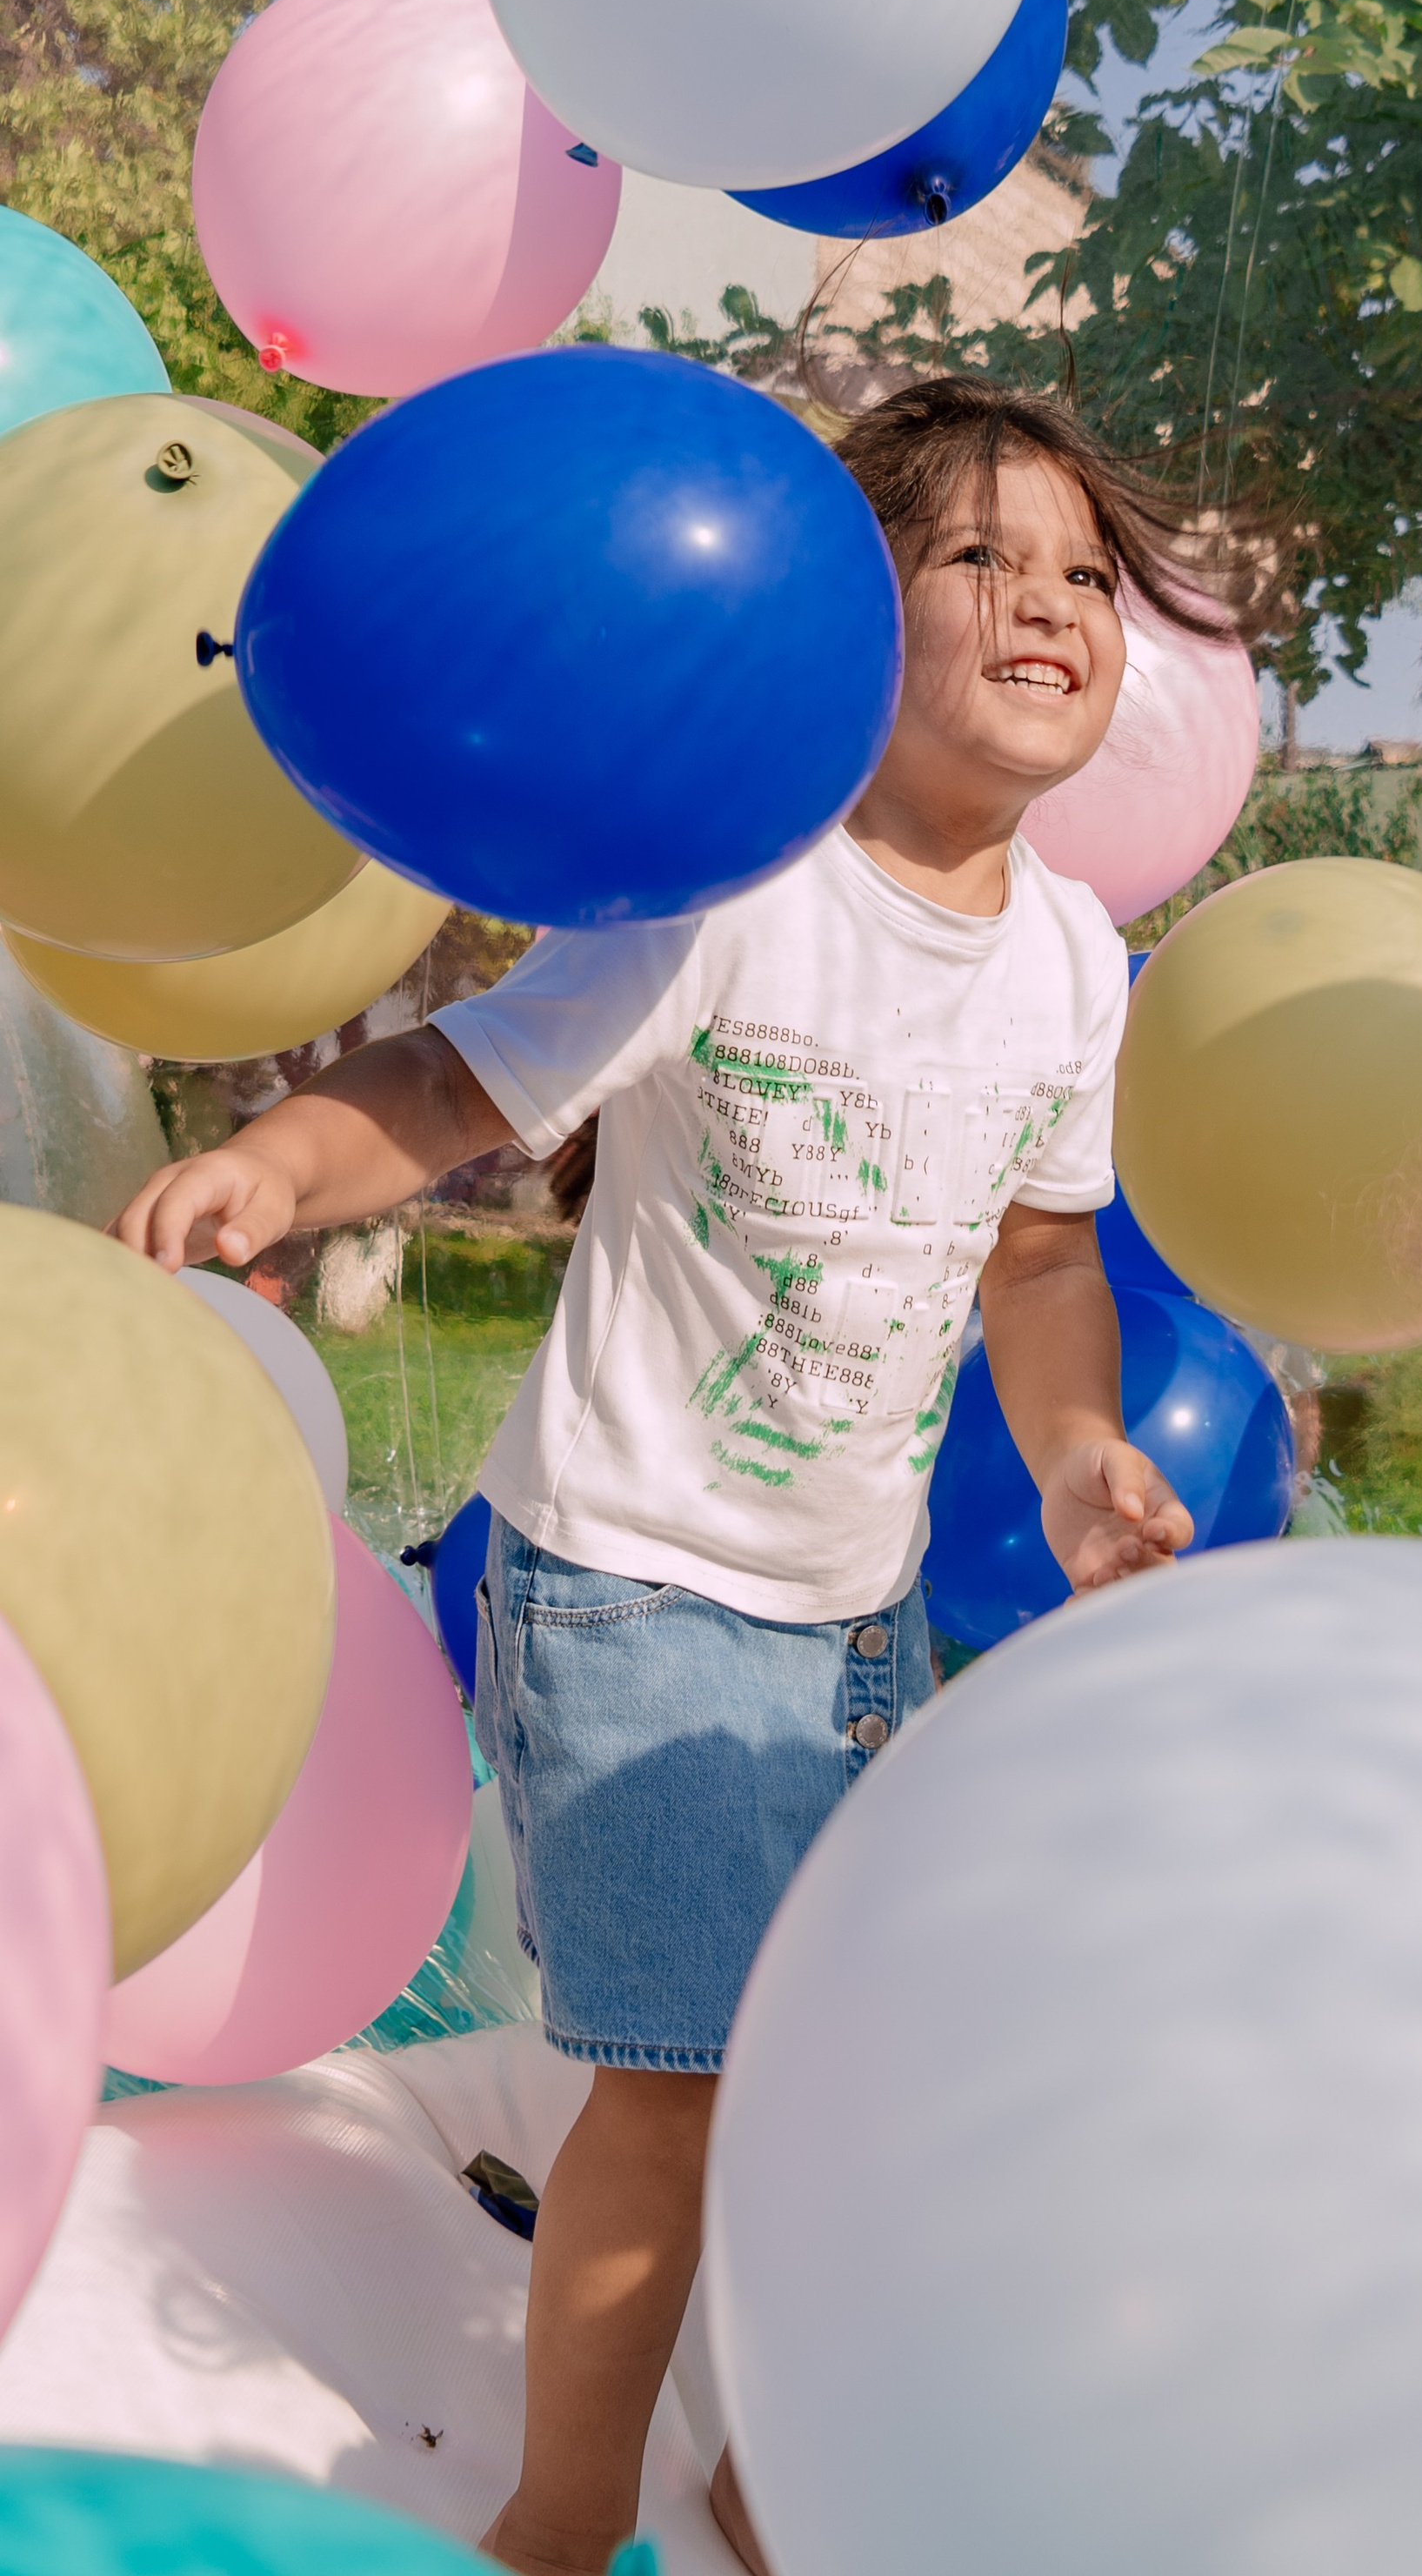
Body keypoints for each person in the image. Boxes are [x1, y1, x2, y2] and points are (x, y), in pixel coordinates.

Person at [110, 374, 1240, 2576]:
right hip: (637, 1580)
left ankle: (763, 2478)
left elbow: (1035, 1262)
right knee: (687, 2086)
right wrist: (281, 1168)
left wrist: (1077, 1450)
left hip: (848, 1615)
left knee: (851, 2059)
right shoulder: (736, 892)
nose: (1047, 603)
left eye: (1086, 576)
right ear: (839, 618)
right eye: (979, 559)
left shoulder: (1066, 964)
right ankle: (558, 2523)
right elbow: (462, 1083)